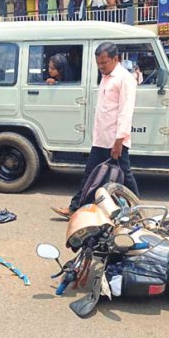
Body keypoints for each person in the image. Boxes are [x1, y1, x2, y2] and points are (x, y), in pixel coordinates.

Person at [52, 42, 139, 218]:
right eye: (98, 63)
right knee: (90, 175)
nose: (100, 67)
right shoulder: (106, 77)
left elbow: (125, 111)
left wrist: (119, 140)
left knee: (125, 178)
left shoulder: (125, 79)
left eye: (104, 63)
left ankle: (138, 211)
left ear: (116, 59)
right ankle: (75, 208)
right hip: (101, 139)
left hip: (116, 141)